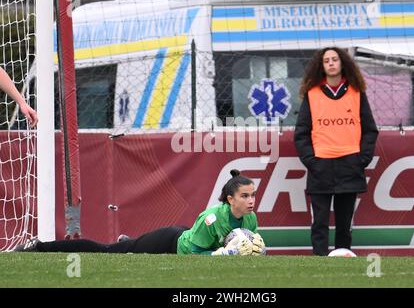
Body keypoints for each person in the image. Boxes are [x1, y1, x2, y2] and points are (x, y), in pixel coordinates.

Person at [15, 169, 266, 256]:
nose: (251, 200)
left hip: (185, 237)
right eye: (245, 196)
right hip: (172, 242)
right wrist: (219, 255)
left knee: (131, 247)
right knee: (107, 252)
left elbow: (249, 245)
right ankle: (40, 247)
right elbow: (193, 253)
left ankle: (131, 243)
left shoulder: (250, 218)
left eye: (252, 195)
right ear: (231, 199)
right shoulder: (210, 218)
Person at [293, 47, 378, 256]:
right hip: (320, 166)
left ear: (342, 63)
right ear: (321, 66)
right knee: (319, 223)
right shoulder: (312, 94)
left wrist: (362, 159)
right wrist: (312, 161)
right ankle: (320, 260)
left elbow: (370, 130)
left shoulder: (357, 92)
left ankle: (344, 258)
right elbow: (301, 134)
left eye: (335, 59)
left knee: (344, 223)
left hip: (350, 164)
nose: (331, 63)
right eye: (326, 60)